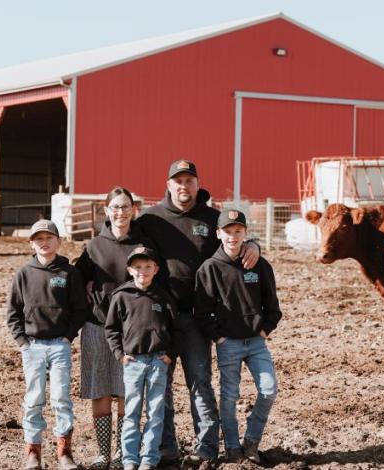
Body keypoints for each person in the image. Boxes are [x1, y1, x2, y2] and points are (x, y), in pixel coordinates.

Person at [137, 160, 260, 465]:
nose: (184, 186)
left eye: (189, 180)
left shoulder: (211, 218)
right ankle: (165, 449)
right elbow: (120, 234)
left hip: (195, 318)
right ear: (168, 185)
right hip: (159, 318)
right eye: (178, 181)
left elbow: (233, 239)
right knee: (160, 386)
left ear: (197, 183)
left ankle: (206, 447)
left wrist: (254, 243)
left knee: (200, 383)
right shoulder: (150, 218)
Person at [194, 209, 281, 464]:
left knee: (268, 389)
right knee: (230, 396)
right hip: (228, 344)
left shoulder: (259, 265)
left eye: (238, 231)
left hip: (256, 343)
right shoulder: (209, 269)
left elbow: (273, 306)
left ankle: (251, 442)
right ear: (218, 234)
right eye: (228, 232)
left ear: (245, 233)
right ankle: (232, 447)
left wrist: (264, 330)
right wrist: (219, 337)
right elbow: (202, 310)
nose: (233, 237)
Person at [75, 187, 153, 469]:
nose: (120, 212)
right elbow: (76, 279)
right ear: (106, 210)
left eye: (125, 206)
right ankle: (103, 453)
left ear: (134, 209)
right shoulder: (95, 246)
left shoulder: (143, 244)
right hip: (97, 325)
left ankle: (123, 451)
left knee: (126, 391)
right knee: (100, 389)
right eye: (115, 207)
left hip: (131, 330)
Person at [6, 219, 88, 470]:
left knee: (61, 398)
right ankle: (33, 451)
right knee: (33, 398)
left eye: (49, 238)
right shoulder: (24, 274)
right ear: (32, 243)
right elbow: (13, 311)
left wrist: (67, 337)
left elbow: (80, 309)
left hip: (59, 346)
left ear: (58, 241)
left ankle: (64, 452)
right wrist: (22, 342)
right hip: (32, 346)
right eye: (38, 238)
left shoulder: (68, 273)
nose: (44, 242)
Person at [105, 246, 177, 470]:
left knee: (156, 411)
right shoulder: (121, 296)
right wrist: (120, 354)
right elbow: (111, 329)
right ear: (129, 269)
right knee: (132, 411)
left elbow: (177, 328)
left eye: (147, 267)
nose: (142, 271)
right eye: (137, 267)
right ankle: (130, 458)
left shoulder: (163, 296)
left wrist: (170, 354)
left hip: (158, 361)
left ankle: (149, 457)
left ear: (156, 269)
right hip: (133, 362)